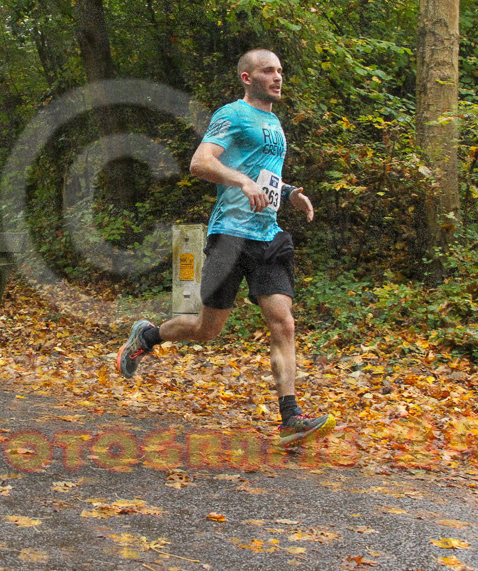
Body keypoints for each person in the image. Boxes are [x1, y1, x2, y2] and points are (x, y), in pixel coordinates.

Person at [116, 49, 335, 447]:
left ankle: (291, 418)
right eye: (268, 70)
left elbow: (262, 175)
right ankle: (148, 337)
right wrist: (242, 183)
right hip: (230, 236)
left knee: (283, 322)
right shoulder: (232, 114)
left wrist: (287, 193)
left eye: (281, 70)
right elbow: (200, 163)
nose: (278, 76)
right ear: (247, 78)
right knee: (206, 329)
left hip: (268, 235)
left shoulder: (274, 122)